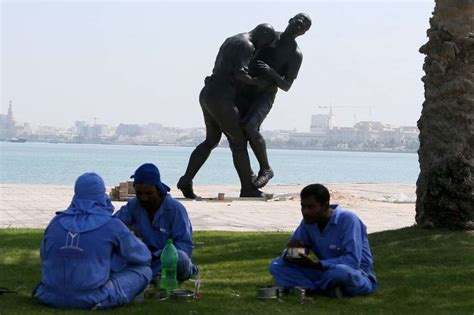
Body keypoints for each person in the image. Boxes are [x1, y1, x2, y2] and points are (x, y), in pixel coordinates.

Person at [177, 23, 276, 199]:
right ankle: (248, 188)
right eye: (265, 43)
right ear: (263, 35)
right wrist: (258, 82)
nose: (262, 47)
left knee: (211, 141)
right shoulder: (247, 45)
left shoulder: (232, 40)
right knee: (238, 141)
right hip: (222, 98)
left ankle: (186, 180)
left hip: (208, 93)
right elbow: (240, 73)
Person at [32, 173, 152, 309]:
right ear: (102, 194)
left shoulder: (55, 223)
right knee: (145, 271)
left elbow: (44, 256)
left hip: (51, 296)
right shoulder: (111, 224)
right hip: (93, 298)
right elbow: (143, 257)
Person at [237, 13, 312, 188]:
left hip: (265, 94)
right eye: (298, 22)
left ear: (303, 33)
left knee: (249, 126)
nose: (298, 26)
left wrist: (270, 72)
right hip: (245, 88)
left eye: (303, 27)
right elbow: (246, 53)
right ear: (290, 20)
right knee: (237, 132)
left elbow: (286, 85)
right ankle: (247, 178)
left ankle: (266, 169)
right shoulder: (269, 36)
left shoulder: (295, 54)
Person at [269, 184, 378, 297]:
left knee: (340, 272)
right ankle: (321, 289)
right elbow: (297, 251)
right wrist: (293, 253)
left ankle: (308, 287)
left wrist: (317, 264)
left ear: (325, 205)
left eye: (311, 207)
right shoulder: (308, 222)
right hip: (325, 271)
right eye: (303, 206)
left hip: (356, 274)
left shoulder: (348, 219)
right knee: (277, 265)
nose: (305, 212)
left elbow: (352, 261)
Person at [115, 163, 198, 281]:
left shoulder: (175, 209)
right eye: (139, 193)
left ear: (158, 189)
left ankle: (147, 275)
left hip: (166, 261)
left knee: (181, 259)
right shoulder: (134, 205)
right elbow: (114, 225)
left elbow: (185, 246)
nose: (144, 198)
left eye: (149, 193)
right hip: (141, 259)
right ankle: (148, 275)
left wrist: (157, 255)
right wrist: (128, 229)